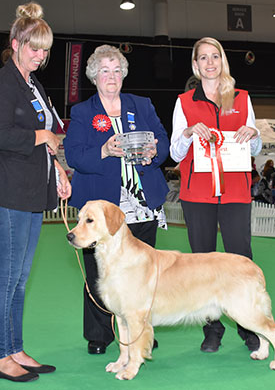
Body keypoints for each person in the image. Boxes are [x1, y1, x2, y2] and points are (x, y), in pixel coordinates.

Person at [63, 45, 169, 355]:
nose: (112, 76)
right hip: (101, 209)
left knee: (143, 273)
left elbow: (162, 140)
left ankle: (141, 332)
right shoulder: (83, 112)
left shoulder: (142, 104)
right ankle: (100, 335)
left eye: (117, 70)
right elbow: (74, 155)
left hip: (141, 203)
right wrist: (105, 151)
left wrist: (154, 152)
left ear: (124, 75)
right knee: (100, 273)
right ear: (94, 76)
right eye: (105, 71)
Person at [170, 37, 262, 353]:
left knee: (241, 260)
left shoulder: (242, 98)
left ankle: (249, 326)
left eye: (215, 57)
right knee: (201, 265)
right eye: (203, 58)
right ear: (195, 65)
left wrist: (255, 135)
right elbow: (173, 151)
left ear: (223, 62)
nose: (210, 63)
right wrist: (187, 132)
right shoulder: (184, 102)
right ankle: (213, 329)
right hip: (197, 194)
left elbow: (253, 146)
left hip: (236, 191)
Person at [0, 1, 72, 383]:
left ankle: (15, 348)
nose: (41, 56)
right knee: (7, 277)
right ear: (15, 43)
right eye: (34, 48)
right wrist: (39, 135)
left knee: (21, 279)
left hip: (31, 192)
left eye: (45, 50)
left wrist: (58, 166)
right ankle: (1, 355)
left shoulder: (33, 84)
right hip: (9, 193)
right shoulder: (4, 82)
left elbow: (49, 139)